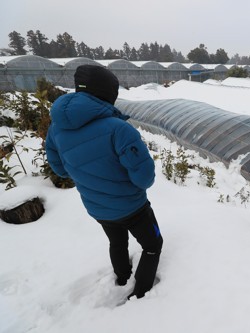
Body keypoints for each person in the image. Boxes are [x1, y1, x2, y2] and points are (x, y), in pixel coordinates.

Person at [45, 64, 163, 300]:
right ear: (109, 93)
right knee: (153, 244)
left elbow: (60, 169)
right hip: (133, 207)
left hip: (97, 207)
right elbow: (144, 178)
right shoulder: (118, 129)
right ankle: (142, 295)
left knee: (117, 243)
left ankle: (122, 278)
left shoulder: (56, 128)